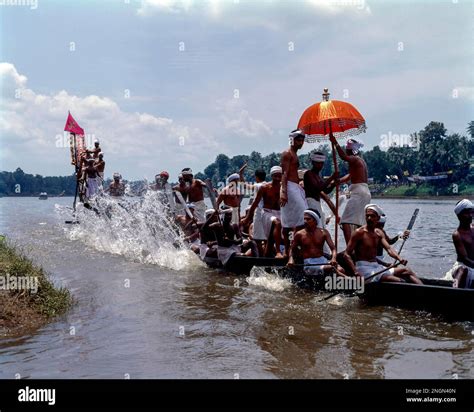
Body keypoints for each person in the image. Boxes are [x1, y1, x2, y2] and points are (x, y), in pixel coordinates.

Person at [343, 204, 422, 284]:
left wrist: (399, 258)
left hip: (377, 266)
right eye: (367, 216)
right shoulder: (359, 233)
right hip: (364, 269)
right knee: (400, 281)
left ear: (378, 218)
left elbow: (389, 248)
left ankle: (426, 291)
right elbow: (346, 254)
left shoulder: (379, 233)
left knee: (407, 270)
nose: (369, 218)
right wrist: (355, 272)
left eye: (372, 216)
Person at [329, 134, 371, 245]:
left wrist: (335, 143)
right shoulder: (359, 161)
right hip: (364, 192)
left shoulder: (354, 159)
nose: (346, 152)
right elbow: (350, 176)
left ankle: (349, 248)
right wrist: (338, 181)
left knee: (345, 221)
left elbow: (343, 157)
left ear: (350, 151)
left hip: (359, 192)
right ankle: (359, 247)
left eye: (347, 150)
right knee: (358, 223)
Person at [243, 166, 284, 258]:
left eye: (279, 176)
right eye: (275, 176)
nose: (277, 178)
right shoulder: (264, 187)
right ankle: (275, 252)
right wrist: (247, 218)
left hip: (279, 213)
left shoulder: (283, 187)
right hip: (266, 213)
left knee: (271, 238)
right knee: (276, 224)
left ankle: (269, 255)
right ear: (271, 176)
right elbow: (255, 203)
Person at [280, 129, 308, 255]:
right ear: (292, 140)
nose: (301, 142)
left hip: (296, 187)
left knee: (298, 218)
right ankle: (288, 250)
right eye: (298, 140)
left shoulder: (295, 154)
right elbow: (284, 173)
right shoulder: (287, 153)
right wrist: (284, 191)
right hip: (289, 187)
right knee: (294, 219)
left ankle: (295, 248)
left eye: (302, 140)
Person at [287, 210, 339, 277]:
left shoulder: (324, 232)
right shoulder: (299, 234)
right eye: (304, 219)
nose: (305, 221)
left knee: (341, 270)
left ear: (315, 221)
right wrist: (290, 259)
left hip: (322, 260)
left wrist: (333, 258)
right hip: (309, 263)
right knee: (331, 268)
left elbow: (333, 249)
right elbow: (291, 248)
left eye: (308, 219)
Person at [304, 151, 338, 231]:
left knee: (321, 228)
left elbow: (325, 190)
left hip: (317, 204)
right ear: (313, 162)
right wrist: (332, 177)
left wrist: (334, 184)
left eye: (321, 163)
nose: (320, 165)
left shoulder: (318, 176)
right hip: (310, 203)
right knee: (317, 229)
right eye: (318, 163)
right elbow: (318, 188)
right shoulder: (309, 174)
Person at [447, 199, 474, 288]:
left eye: (472, 213)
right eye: (467, 213)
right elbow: (464, 259)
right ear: (459, 216)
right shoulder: (457, 235)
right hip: (464, 266)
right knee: (463, 270)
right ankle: (456, 290)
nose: (470, 216)